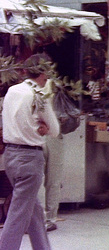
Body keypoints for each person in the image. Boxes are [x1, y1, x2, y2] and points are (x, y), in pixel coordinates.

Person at [0, 54, 60, 250]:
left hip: (10, 155)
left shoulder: (12, 91)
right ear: (42, 73)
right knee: (18, 215)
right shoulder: (39, 96)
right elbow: (55, 130)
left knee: (33, 210)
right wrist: (42, 125)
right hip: (29, 158)